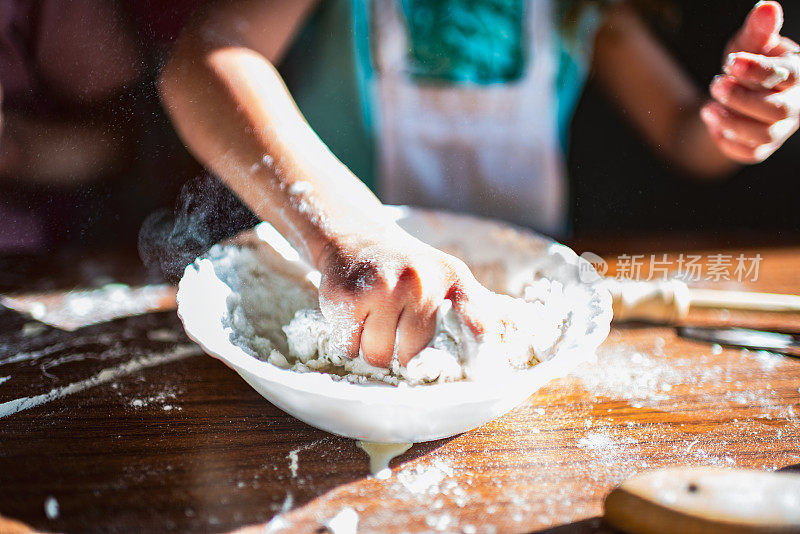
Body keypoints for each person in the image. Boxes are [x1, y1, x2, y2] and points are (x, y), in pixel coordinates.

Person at [160, 0, 800, 368]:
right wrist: (350, 234)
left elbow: (688, 135)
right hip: (341, 308)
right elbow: (206, 60)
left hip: (514, 312)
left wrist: (737, 117)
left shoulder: (587, 9)